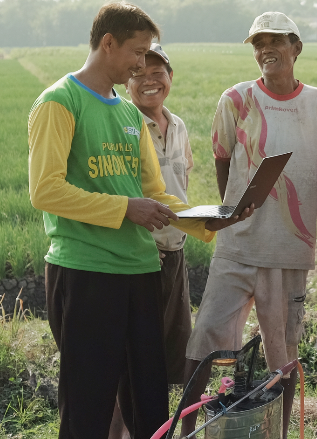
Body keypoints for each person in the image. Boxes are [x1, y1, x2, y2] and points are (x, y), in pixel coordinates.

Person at [28, 2, 250, 439]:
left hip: (141, 271)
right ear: (108, 43)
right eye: (136, 51)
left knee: (149, 404)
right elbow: (46, 190)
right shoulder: (59, 102)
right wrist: (125, 208)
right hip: (87, 271)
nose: (140, 63)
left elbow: (155, 194)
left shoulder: (129, 115)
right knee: (88, 406)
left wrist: (209, 219)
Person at [180, 12, 317, 438]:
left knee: (283, 353)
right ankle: (187, 428)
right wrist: (234, 212)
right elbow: (222, 159)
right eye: (258, 43)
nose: (266, 49)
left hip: (289, 249)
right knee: (205, 340)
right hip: (238, 246)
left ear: (296, 47)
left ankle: (278, 432)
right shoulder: (236, 99)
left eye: (275, 41)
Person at [107, 42, 194, 439]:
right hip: (142, 257)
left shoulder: (179, 126)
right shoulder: (124, 126)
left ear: (170, 77)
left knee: (167, 356)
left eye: (158, 73)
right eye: (139, 73)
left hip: (175, 252)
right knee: (130, 363)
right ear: (127, 82)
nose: (149, 81)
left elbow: (181, 183)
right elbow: (118, 194)